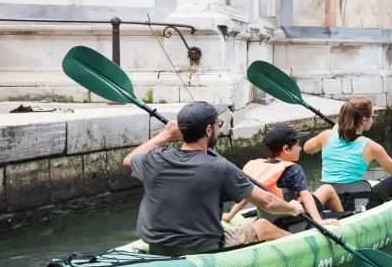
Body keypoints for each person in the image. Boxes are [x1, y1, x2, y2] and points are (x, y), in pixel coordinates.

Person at [123, 101, 303, 256]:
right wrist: (292, 208)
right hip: (203, 248)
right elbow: (268, 202)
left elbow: (129, 160)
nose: (218, 127)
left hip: (158, 246)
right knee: (263, 225)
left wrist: (167, 135)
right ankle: (305, 251)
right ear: (209, 130)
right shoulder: (220, 167)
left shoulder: (156, 158)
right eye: (217, 124)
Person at [304, 97, 392, 211]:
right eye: (373, 116)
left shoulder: (326, 136)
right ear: (364, 120)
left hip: (327, 202)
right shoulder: (371, 147)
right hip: (353, 205)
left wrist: (333, 131)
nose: (373, 119)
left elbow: (307, 148)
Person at [222, 124, 345, 228]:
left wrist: (229, 215)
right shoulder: (294, 169)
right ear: (286, 149)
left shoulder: (260, 166)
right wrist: (319, 221)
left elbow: (248, 194)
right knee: (327, 189)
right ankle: (346, 221)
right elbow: (305, 195)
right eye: (297, 145)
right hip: (291, 218)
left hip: (268, 218)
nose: (300, 148)